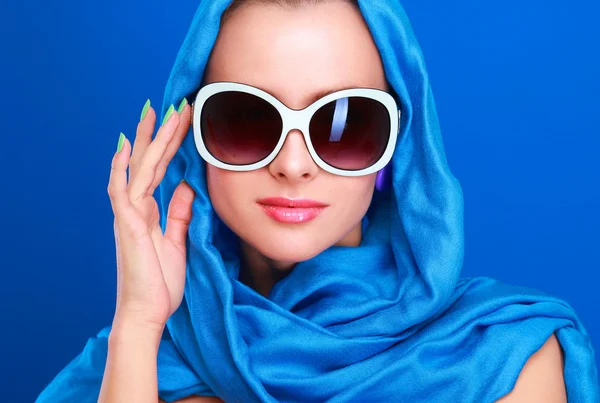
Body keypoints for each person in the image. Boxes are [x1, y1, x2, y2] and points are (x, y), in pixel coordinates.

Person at [36, 0, 600, 402]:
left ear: (397, 151)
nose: (294, 164)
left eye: (345, 124)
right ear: (193, 140)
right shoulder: (139, 360)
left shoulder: (505, 356)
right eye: (247, 118)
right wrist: (137, 322)